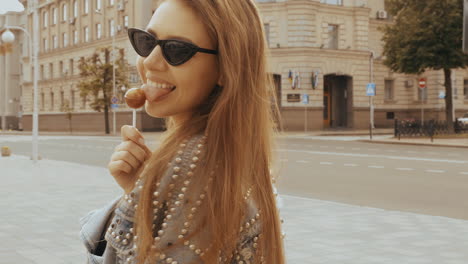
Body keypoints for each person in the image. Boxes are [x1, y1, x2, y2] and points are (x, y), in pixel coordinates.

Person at [79, 0, 285, 263]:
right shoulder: (233, 151)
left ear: (225, 67)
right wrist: (143, 193)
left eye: (176, 50)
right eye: (147, 41)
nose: (149, 61)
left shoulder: (193, 159)